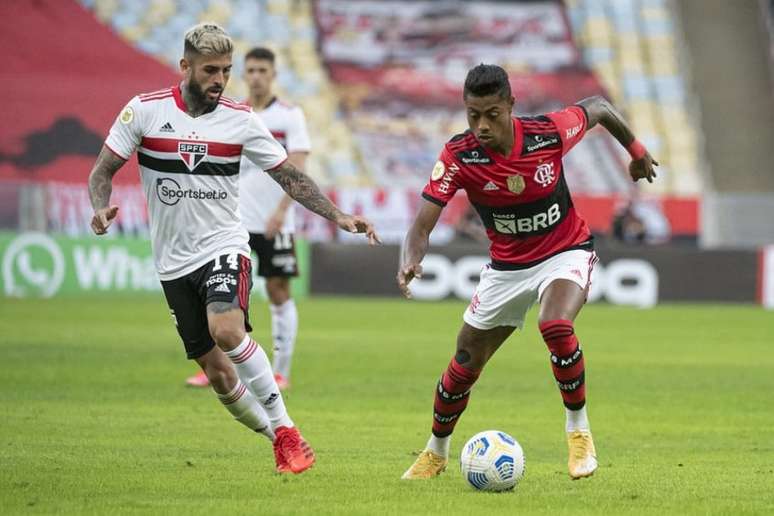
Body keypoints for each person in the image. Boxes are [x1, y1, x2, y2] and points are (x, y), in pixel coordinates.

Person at [88, 23, 379, 475]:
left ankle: (287, 429)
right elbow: (102, 170)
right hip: (172, 262)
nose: (219, 79)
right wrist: (101, 205)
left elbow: (290, 176)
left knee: (227, 329)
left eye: (225, 70)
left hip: (225, 245)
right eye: (210, 70)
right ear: (185, 66)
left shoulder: (241, 119)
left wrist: (337, 215)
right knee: (220, 376)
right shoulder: (143, 111)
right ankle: (275, 438)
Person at [397, 64, 657, 480]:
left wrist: (638, 151)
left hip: (565, 250)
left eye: (491, 115)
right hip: (507, 268)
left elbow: (600, 107)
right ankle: (436, 452)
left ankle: (579, 433)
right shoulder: (460, 155)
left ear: (510, 106)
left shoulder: (547, 134)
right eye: (472, 115)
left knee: (554, 324)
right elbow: (422, 224)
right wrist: (410, 257)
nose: (481, 126)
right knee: (464, 361)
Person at [187, 47, 311, 390]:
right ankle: (216, 367)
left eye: (262, 70)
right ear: (244, 74)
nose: (256, 76)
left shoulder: (290, 116)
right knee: (218, 293)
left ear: (273, 75)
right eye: (251, 70)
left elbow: (298, 168)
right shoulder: (232, 113)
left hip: (274, 222)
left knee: (277, 290)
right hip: (231, 222)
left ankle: (280, 370)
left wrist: (283, 211)